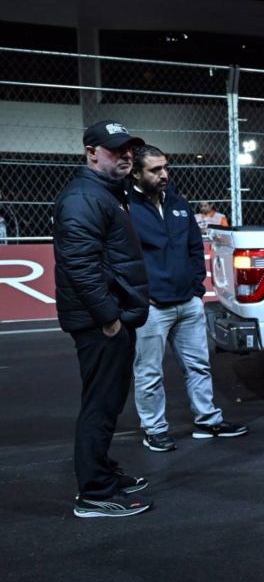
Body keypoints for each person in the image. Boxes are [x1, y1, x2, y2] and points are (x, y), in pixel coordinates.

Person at [55, 120, 152, 518]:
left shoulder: (106, 192)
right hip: (101, 322)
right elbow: (80, 265)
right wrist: (109, 318)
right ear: (91, 152)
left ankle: (103, 473)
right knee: (100, 404)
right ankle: (94, 493)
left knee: (108, 402)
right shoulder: (84, 197)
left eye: (129, 149)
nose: (126, 155)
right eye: (116, 149)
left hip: (110, 316)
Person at [129, 146, 248, 452]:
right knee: (149, 373)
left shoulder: (179, 204)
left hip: (188, 302)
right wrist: (143, 296)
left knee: (199, 366)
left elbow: (196, 249)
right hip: (152, 308)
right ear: (137, 173)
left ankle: (207, 421)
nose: (164, 174)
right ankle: (154, 429)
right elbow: (121, 257)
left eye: (165, 167)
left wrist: (196, 288)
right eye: (155, 170)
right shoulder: (125, 208)